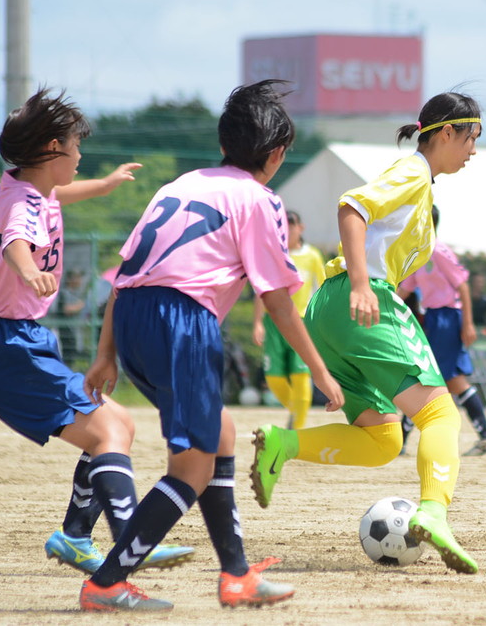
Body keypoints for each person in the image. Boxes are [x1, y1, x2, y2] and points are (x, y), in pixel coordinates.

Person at [81, 80, 345, 611]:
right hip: (181, 323)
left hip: (133, 319)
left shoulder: (178, 186)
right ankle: (107, 583)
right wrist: (320, 369)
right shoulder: (261, 199)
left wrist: (106, 353)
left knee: (220, 433)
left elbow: (126, 276)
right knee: (193, 467)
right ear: (275, 155)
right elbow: (277, 301)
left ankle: (237, 575)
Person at [0, 88, 193, 582]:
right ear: (51, 149)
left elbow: (53, 196)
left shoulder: (25, 187)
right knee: (109, 430)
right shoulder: (21, 205)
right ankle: (131, 543)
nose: (81, 154)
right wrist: (26, 271)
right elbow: (17, 241)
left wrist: (104, 186)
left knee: (118, 424)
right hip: (5, 346)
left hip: (12, 342)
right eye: (75, 145)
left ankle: (76, 537)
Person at [249, 91, 484, 574]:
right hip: (360, 300)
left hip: (329, 309)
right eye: (471, 138)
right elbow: (352, 207)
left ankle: (284, 443)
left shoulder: (422, 182)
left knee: (382, 441)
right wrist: (362, 283)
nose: (473, 151)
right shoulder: (413, 172)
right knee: (441, 416)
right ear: (445, 133)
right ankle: (434, 513)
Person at [398, 205, 486, 456]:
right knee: (448, 379)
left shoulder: (439, 250)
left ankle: (400, 440)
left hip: (448, 318)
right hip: (433, 319)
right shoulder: (419, 253)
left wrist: (467, 324)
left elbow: (463, 287)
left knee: (428, 377)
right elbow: (404, 290)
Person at [253, 210, 326, 429]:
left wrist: (321, 321)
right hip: (273, 321)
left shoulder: (312, 255)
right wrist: (257, 322)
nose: (286, 230)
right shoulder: (274, 253)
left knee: (301, 374)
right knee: (274, 377)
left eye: (291, 225)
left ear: (300, 228)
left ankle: (296, 432)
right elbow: (261, 289)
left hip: (301, 321)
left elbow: (322, 289)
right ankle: (297, 411)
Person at [57, 268, 88, 366]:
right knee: (67, 360)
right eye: (77, 278)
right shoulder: (64, 293)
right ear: (70, 279)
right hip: (66, 333)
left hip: (75, 333)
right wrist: (80, 306)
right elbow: (66, 309)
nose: (80, 281)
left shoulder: (77, 294)